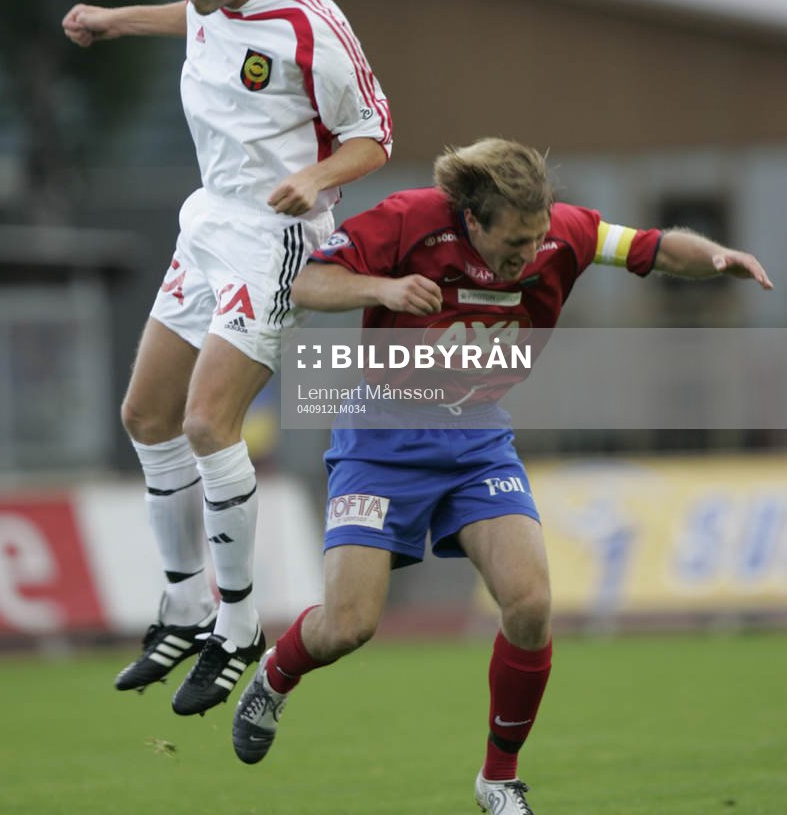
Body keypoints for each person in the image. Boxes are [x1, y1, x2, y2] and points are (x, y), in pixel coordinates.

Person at [230, 138, 772, 815]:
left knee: (529, 603)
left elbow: (654, 246)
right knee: (347, 627)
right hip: (382, 435)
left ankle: (498, 779)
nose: (528, 253)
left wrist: (716, 257)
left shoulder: (563, 232)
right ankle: (274, 676)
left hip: (477, 433)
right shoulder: (407, 218)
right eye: (513, 241)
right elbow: (306, 281)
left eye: (537, 235)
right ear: (471, 222)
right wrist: (383, 286)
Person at [62, 0, 392, 716]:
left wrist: (314, 178)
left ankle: (239, 625)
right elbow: (198, 23)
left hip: (272, 236)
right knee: (146, 414)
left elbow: (376, 131)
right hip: (207, 216)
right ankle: (183, 607)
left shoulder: (312, 25)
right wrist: (113, 20)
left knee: (210, 424)